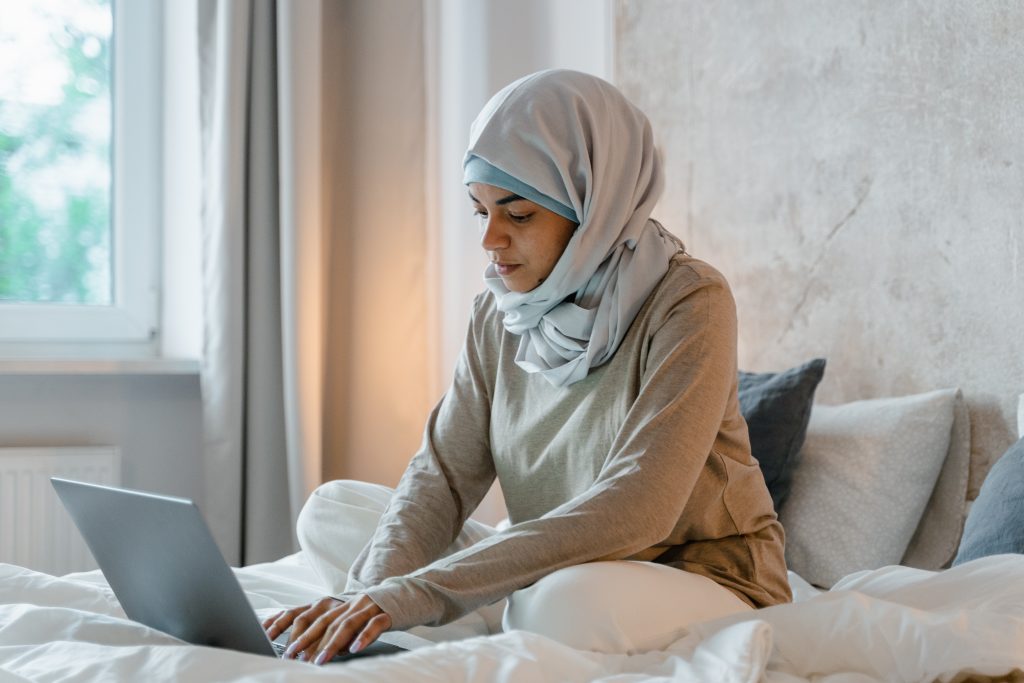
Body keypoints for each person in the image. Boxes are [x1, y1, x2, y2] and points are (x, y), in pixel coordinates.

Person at [263, 69, 791, 665]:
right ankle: (441, 615)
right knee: (333, 511)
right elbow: (442, 476)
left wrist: (416, 592)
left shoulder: (691, 301)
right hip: (560, 560)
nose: (491, 239)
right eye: (479, 212)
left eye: (518, 216)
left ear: (595, 204)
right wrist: (365, 601)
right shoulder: (499, 312)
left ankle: (479, 613)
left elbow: (640, 505)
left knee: (555, 606)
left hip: (701, 570)